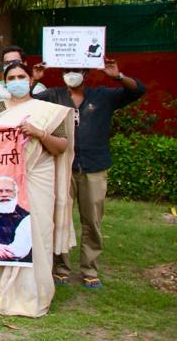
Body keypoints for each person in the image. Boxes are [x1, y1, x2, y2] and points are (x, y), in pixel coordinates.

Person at [33, 59, 145, 289]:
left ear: (86, 73)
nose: (71, 74)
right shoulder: (53, 96)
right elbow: (23, 102)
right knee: (59, 217)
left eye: (76, 70)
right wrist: (35, 78)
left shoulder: (103, 96)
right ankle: (60, 267)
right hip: (62, 166)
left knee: (92, 220)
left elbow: (138, 91)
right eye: (66, 70)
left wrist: (118, 75)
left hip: (94, 167)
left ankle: (89, 269)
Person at [0, 61, 74, 316]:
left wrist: (39, 132)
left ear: (31, 81)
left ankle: (33, 296)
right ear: (5, 82)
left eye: (22, 76)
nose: (17, 81)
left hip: (38, 177)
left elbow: (61, 147)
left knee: (37, 233)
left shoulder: (48, 111)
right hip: (6, 179)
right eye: (11, 77)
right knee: (6, 232)